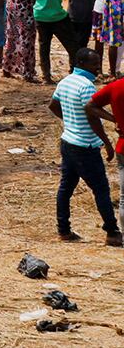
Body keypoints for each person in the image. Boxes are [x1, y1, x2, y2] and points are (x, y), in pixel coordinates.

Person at [51, 48, 122, 245]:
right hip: (85, 145)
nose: (98, 67)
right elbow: (92, 116)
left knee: (65, 188)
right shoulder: (86, 86)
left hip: (68, 142)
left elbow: (53, 105)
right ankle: (112, 231)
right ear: (81, 63)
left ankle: (63, 230)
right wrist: (108, 140)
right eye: (94, 63)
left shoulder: (65, 82)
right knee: (101, 189)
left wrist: (70, 121)